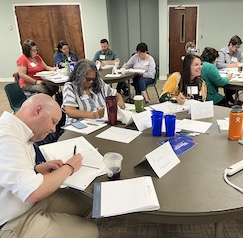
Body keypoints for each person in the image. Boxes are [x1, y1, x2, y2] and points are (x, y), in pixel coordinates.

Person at [0, 94, 98, 238]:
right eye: (53, 122)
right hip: (11, 220)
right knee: (89, 231)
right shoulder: (6, 136)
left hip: (24, 203)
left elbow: (10, 172)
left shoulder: (20, 132)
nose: (53, 129)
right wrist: (69, 167)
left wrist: (36, 169)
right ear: (38, 110)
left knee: (88, 203)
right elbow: (33, 192)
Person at [62, 59, 125, 125]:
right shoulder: (70, 87)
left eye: (93, 79)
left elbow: (116, 95)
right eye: (88, 79)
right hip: (78, 126)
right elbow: (70, 111)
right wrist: (93, 115)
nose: (91, 82)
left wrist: (120, 101)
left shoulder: (99, 83)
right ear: (79, 76)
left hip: (100, 123)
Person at [216, 35, 243, 104]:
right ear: (231, 44)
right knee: (229, 87)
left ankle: (229, 98)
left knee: (237, 85)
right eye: (236, 47)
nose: (237, 49)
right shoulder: (222, 52)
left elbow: (241, 62)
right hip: (225, 74)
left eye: (238, 47)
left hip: (236, 74)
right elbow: (219, 65)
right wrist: (233, 65)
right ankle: (228, 98)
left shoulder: (238, 53)